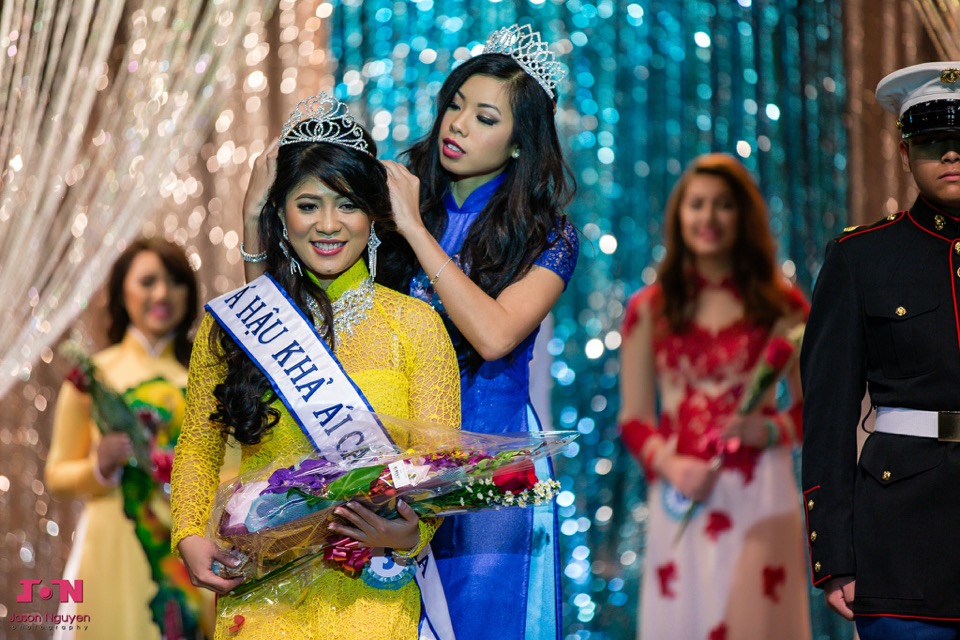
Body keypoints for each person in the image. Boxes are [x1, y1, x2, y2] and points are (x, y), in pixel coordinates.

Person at [238, 24, 578, 640]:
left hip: (483, 462)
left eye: (483, 117)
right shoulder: (398, 187)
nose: (457, 125)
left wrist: (417, 233)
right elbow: (293, 314)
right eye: (454, 106)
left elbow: (495, 336)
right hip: (375, 448)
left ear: (521, 143)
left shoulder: (547, 236)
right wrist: (254, 224)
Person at [170, 93, 461, 640]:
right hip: (261, 597)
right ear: (280, 215)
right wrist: (188, 532)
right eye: (308, 205)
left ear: (373, 218)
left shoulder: (416, 325)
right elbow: (197, 446)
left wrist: (407, 534)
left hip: (370, 597)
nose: (328, 224)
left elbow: (438, 471)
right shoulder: (237, 324)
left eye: (347, 204)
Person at [618, 153, 811, 640]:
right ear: (679, 215)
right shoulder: (650, 308)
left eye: (723, 205)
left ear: (743, 216)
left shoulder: (784, 306)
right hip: (683, 490)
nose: (707, 218)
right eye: (696, 204)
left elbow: (818, 410)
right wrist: (673, 465)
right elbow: (634, 418)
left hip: (762, 492)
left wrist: (767, 430)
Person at [801, 62, 960, 639]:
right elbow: (827, 417)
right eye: (934, 142)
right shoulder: (860, 258)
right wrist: (833, 554)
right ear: (904, 152)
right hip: (899, 542)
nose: (951, 156)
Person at [45, 237, 211, 640]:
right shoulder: (92, 376)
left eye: (174, 281)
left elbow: (229, 470)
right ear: (122, 291)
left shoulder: (207, 377)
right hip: (111, 547)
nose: (162, 293)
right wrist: (100, 465)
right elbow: (57, 475)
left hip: (188, 546)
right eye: (147, 281)